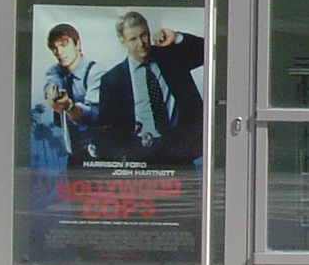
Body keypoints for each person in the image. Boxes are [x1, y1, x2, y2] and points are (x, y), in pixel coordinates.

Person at [95, 11, 204, 167]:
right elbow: (107, 127)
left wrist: (176, 37)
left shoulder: (171, 57)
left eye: (144, 35)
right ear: (122, 41)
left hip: (180, 150)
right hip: (140, 154)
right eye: (133, 39)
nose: (141, 43)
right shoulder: (112, 80)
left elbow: (207, 51)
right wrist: (121, 156)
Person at [40, 23, 100, 165]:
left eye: (64, 44)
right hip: (74, 156)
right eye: (54, 48)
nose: (59, 52)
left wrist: (69, 107)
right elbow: (51, 79)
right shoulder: (57, 70)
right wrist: (51, 93)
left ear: (77, 44)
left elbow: (94, 115)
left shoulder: (96, 73)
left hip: (98, 154)